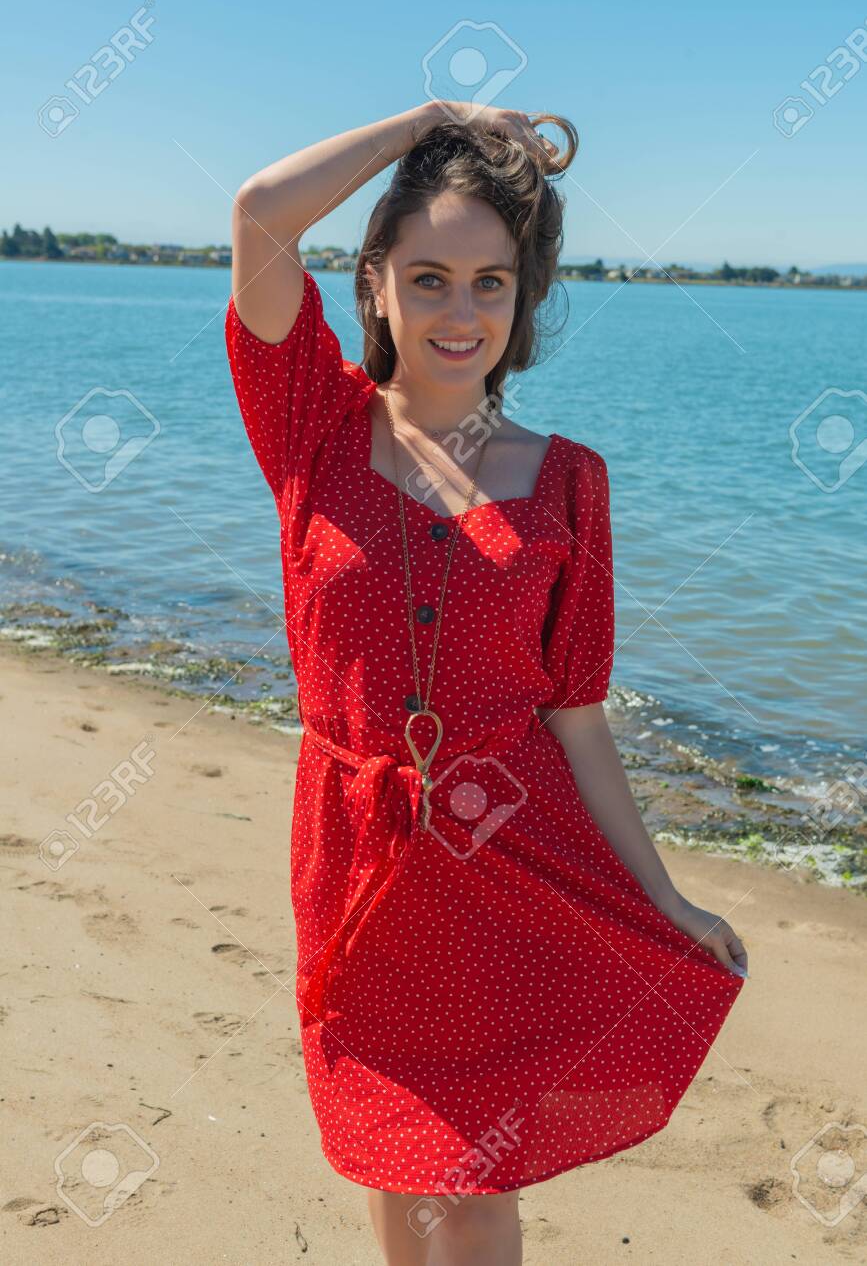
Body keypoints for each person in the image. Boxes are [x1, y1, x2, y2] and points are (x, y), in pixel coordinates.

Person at [225, 99, 749, 1266]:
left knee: (474, 1178)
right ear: (372, 286)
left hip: (506, 859)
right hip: (356, 861)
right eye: (428, 278)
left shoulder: (569, 482)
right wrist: (430, 121)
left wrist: (663, 899)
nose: (461, 313)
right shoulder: (311, 427)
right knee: (392, 1150)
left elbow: (575, 714)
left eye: (491, 283)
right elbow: (261, 213)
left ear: (523, 298)